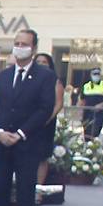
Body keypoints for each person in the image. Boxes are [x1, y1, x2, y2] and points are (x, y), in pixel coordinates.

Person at [0, 29, 56, 206]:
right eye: (16, 43)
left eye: (24, 44)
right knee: (1, 189)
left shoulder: (45, 77)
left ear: (33, 48)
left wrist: (21, 133)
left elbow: (44, 109)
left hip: (27, 143)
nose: (19, 47)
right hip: (1, 143)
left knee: (26, 191)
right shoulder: (2, 77)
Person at [33, 52, 65, 184]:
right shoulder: (30, 78)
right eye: (38, 62)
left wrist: (45, 119)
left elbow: (58, 104)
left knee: (42, 157)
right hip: (28, 123)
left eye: (44, 62)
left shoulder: (55, 81)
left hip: (46, 124)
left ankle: (39, 189)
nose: (41, 64)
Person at [77, 66, 103, 139]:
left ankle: (93, 147)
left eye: (97, 74)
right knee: (86, 133)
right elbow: (82, 100)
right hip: (87, 113)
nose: (96, 76)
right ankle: (87, 148)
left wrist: (101, 105)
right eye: (94, 74)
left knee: (95, 133)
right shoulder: (86, 86)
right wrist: (79, 111)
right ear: (91, 75)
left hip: (98, 114)